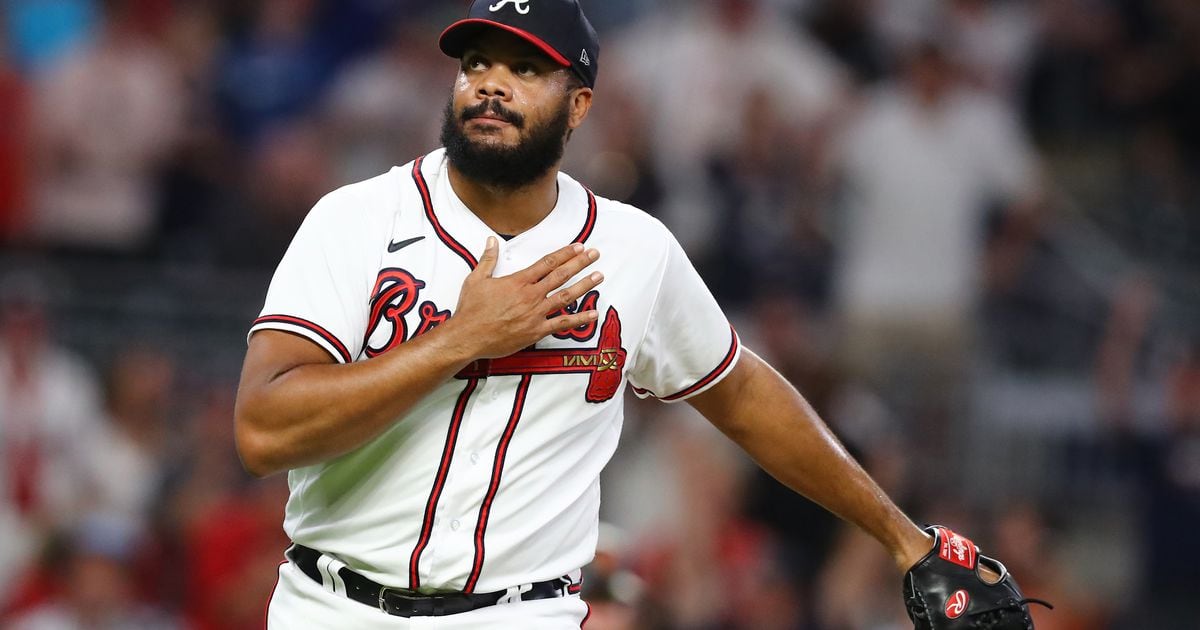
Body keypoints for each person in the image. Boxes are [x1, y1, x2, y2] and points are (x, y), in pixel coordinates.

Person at [234, 1, 957, 627]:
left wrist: (906, 541)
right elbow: (263, 431)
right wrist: (459, 341)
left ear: (579, 105)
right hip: (334, 608)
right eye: (478, 62)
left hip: (525, 613)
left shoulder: (633, 249)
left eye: (525, 69)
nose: (491, 83)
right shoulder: (355, 219)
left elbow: (740, 393)